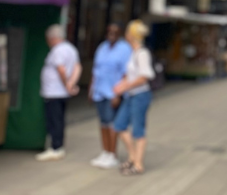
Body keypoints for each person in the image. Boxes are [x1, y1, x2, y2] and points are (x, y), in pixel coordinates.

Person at [113, 20, 154, 175]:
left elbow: (145, 76)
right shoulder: (134, 53)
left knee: (138, 129)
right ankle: (133, 156)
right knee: (119, 125)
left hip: (140, 95)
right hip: (131, 95)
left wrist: (126, 86)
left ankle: (138, 164)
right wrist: (122, 85)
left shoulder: (142, 53)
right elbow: (130, 75)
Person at [89, 24, 131, 170]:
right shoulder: (102, 47)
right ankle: (105, 152)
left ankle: (113, 154)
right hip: (100, 90)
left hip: (113, 91)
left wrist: (118, 93)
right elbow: (96, 69)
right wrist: (91, 89)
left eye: (115, 32)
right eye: (109, 32)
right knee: (103, 123)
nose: (112, 35)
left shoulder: (124, 49)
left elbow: (126, 73)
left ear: (119, 34)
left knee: (112, 123)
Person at [37, 24, 81, 161]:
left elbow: (61, 69)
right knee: (59, 119)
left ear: (53, 38)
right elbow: (77, 67)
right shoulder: (71, 49)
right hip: (60, 92)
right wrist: (71, 84)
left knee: (54, 120)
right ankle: (57, 146)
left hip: (54, 92)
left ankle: (56, 147)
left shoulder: (58, 50)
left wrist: (67, 84)